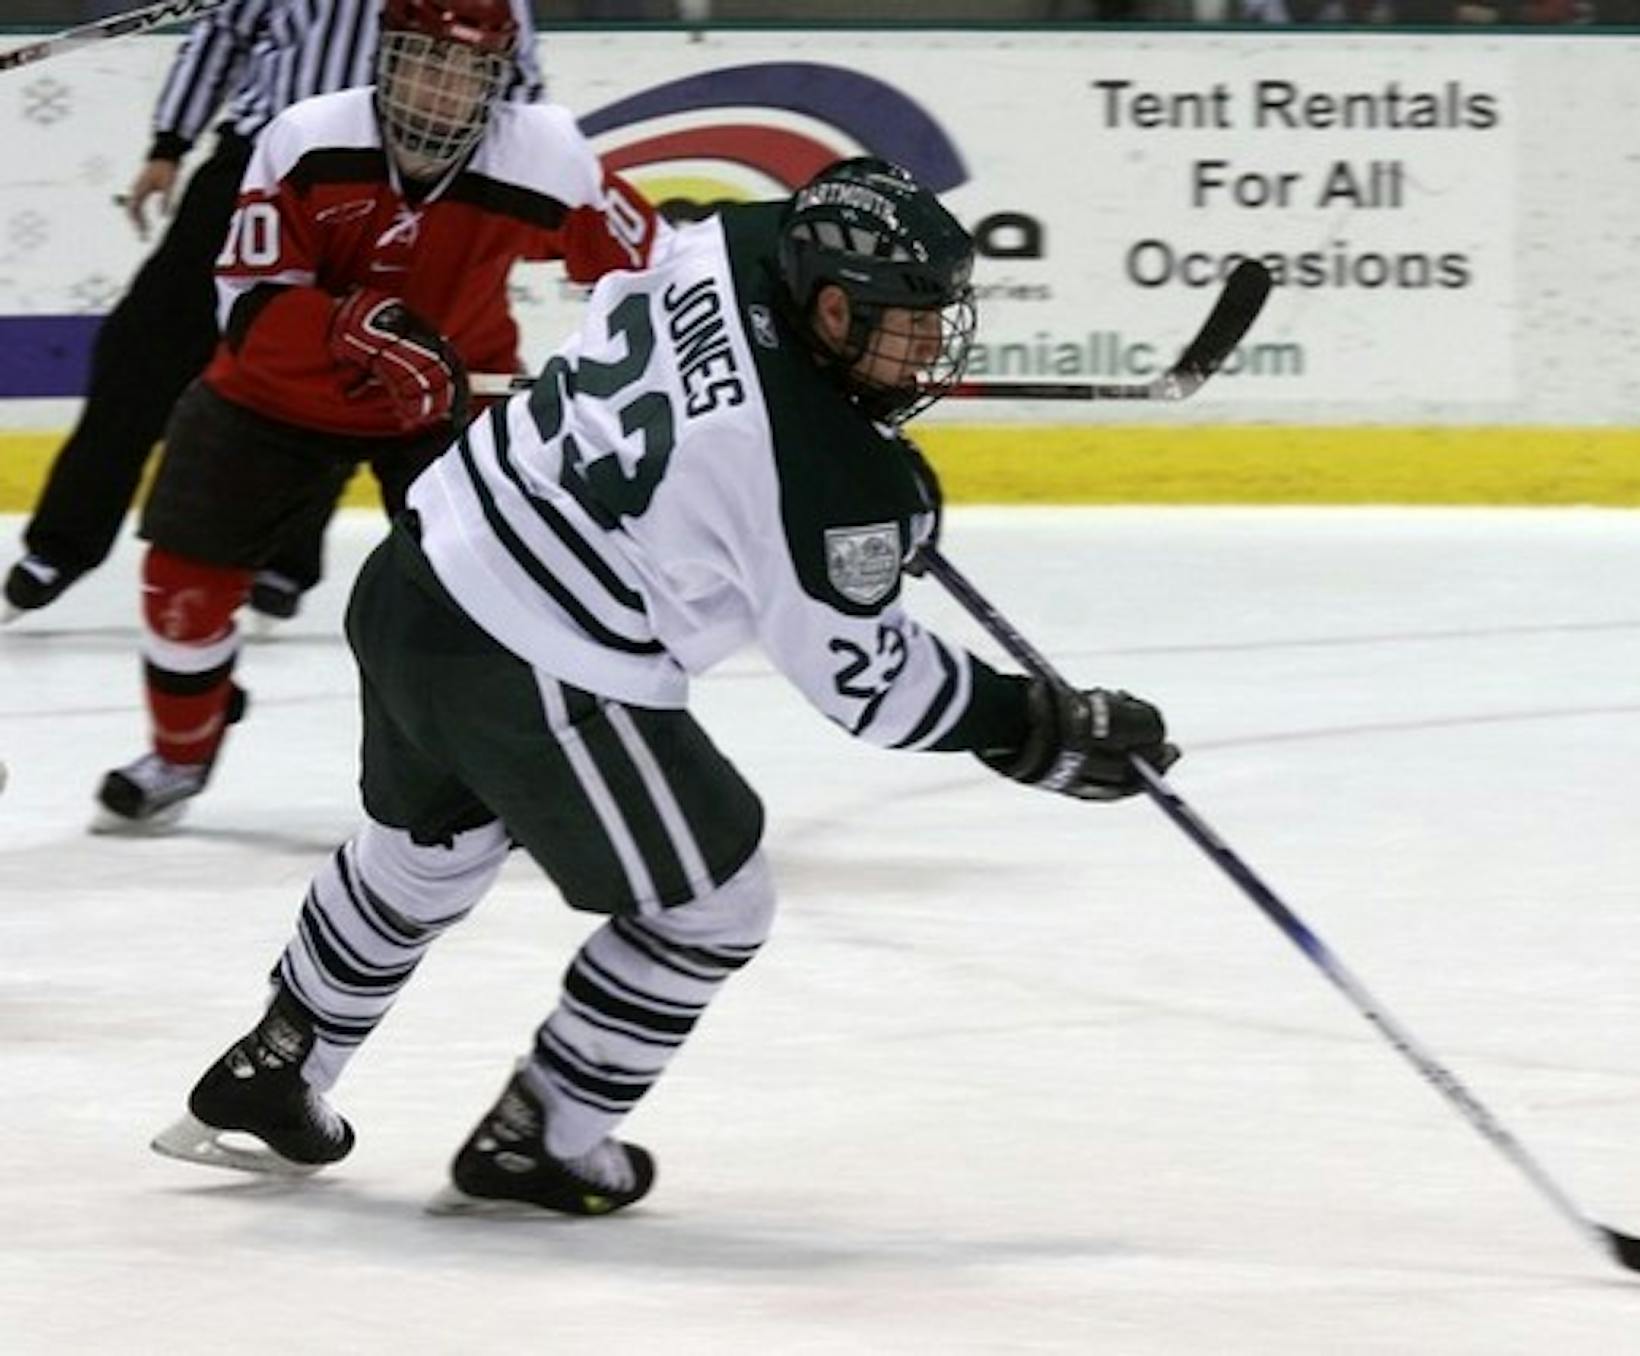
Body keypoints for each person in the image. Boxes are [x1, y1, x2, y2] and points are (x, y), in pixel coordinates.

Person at [148, 156, 1180, 1217]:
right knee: (713, 905)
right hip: (533, 663)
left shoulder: (735, 240)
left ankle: (276, 1063)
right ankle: (539, 1137)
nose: (929, 345)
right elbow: (864, 684)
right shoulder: (819, 477)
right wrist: (1033, 726)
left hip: (420, 579)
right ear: (830, 307)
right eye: (908, 320)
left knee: (425, 856)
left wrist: (849, 450)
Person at [94, 0, 661, 828]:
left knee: (506, 593)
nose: (442, 89)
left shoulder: (545, 156)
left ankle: (512, 765)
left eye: (468, 71)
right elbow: (248, 310)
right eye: (425, 61)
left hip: (449, 395)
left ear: (500, 82)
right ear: (384, 58)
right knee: (183, 591)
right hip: (273, 397)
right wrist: (350, 330)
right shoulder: (303, 137)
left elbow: (654, 268)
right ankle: (182, 753)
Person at [0, 0, 544, 628]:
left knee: (352, 362)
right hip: (260, 165)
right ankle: (61, 546)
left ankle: (284, 559)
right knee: (144, 349)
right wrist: (170, 144)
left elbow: (517, 80)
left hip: (396, 183)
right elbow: (222, 32)